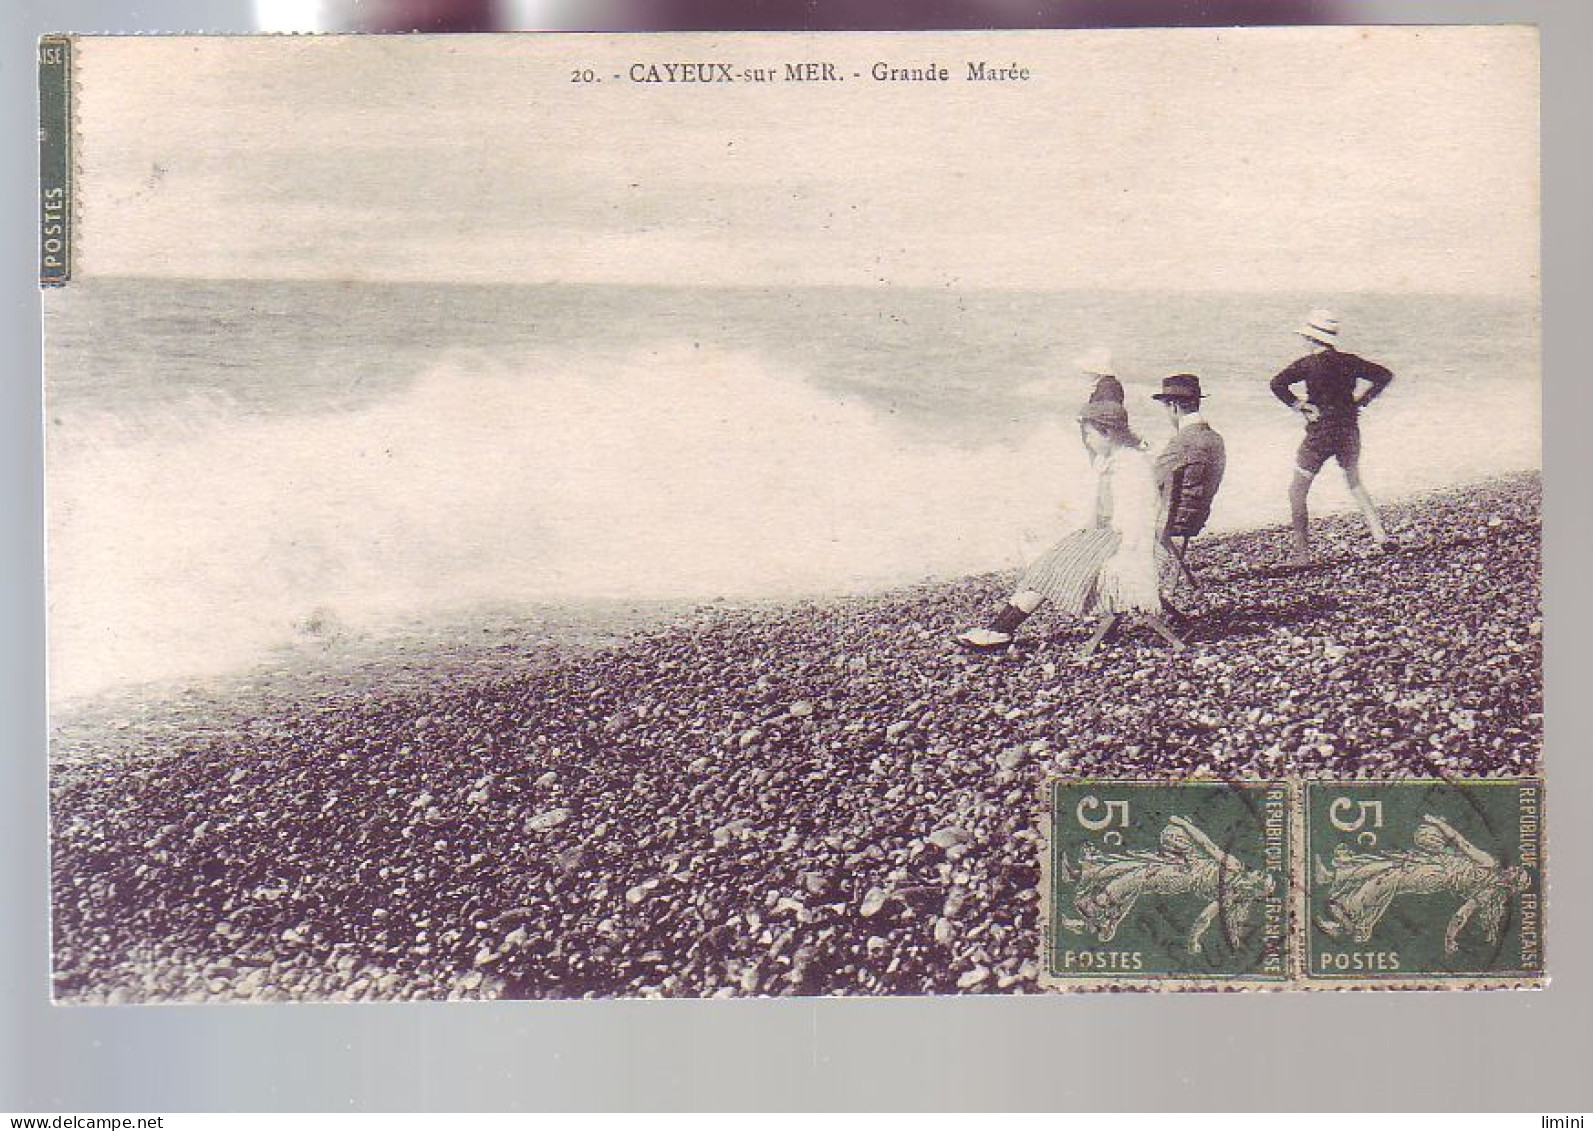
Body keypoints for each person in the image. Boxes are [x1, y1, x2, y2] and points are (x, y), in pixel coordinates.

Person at [956, 400, 1162, 651]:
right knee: (1047, 559)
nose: (1087, 441)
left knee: (1051, 565)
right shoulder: (1117, 461)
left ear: (1107, 433)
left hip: (1120, 540)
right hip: (1106, 535)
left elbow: (1134, 519)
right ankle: (999, 628)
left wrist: (1094, 539)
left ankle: (1001, 630)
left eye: (1089, 434)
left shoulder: (1131, 466)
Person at [1269, 310, 1396, 559]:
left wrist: (1299, 406)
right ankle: (1381, 535)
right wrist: (1361, 401)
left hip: (1320, 433)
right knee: (1354, 482)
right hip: (1348, 429)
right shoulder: (1349, 360)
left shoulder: (1308, 364)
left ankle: (1303, 554)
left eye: (1305, 337)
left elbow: (1276, 383)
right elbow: (1384, 375)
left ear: (1311, 339)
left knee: (1297, 490)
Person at [1150, 373, 1226, 548]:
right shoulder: (1215, 438)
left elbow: (1152, 481)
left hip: (1171, 522)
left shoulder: (1183, 441)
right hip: (1195, 519)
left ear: (1174, 406)